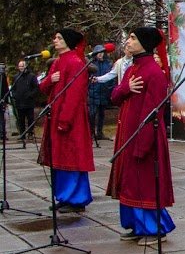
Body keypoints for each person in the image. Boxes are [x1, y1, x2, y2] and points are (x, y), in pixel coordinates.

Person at [107, 27, 176, 245]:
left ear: (145, 43)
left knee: (144, 185)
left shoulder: (154, 73)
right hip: (128, 136)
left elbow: (152, 113)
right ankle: (136, 225)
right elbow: (115, 97)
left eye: (133, 38)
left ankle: (155, 229)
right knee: (130, 183)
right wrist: (126, 88)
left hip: (144, 139)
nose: (128, 42)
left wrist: (142, 145)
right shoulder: (130, 70)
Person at [37, 28, 95, 213]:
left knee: (72, 157)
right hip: (56, 118)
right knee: (59, 157)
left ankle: (76, 198)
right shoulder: (58, 62)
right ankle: (63, 196)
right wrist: (51, 80)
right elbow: (43, 87)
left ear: (68, 41)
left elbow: (74, 96)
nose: (55, 40)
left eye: (59, 38)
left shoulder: (76, 63)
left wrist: (65, 120)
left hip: (70, 121)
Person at [10, 60, 39, 145]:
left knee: (30, 118)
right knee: (20, 119)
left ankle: (30, 133)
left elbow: (36, 88)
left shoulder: (32, 76)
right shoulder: (16, 77)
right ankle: (22, 134)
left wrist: (30, 95)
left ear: (26, 66)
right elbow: (13, 88)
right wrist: (15, 96)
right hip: (19, 102)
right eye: (19, 66)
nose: (21, 68)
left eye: (22, 66)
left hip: (29, 102)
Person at [87, 50, 112, 142]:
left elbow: (110, 77)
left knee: (102, 114)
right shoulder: (91, 64)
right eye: (99, 52)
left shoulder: (108, 64)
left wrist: (109, 89)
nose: (101, 54)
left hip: (104, 93)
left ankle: (100, 133)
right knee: (92, 114)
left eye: (102, 52)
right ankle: (91, 133)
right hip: (94, 92)